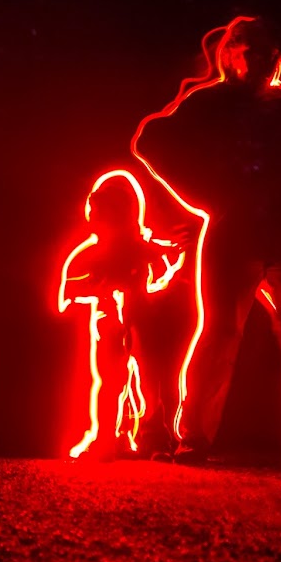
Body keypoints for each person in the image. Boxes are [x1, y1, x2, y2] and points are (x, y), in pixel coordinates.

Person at [134, 17, 281, 463]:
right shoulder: (212, 102)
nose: (262, 59)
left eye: (269, 52)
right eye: (252, 50)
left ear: (278, 57)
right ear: (230, 54)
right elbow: (151, 141)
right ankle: (194, 437)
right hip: (239, 231)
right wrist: (206, 195)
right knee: (220, 335)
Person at [58, 170, 186, 461]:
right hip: (109, 322)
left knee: (146, 381)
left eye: (107, 210)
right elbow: (68, 291)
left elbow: (162, 270)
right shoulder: (92, 253)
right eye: (97, 210)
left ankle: (150, 437)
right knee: (113, 381)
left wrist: (171, 258)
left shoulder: (139, 248)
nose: (98, 216)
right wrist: (95, 287)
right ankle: (109, 437)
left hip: (139, 320)